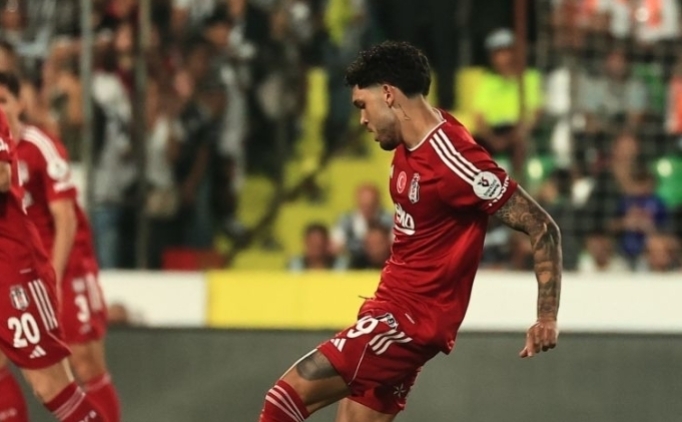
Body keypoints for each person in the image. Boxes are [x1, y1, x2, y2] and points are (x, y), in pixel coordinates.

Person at [256, 41, 562, 422]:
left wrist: (546, 317)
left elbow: (542, 226)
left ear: (388, 94)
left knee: (284, 398)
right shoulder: (410, 142)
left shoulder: (454, 159)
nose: (362, 120)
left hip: (407, 323)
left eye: (362, 105)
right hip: (392, 310)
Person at [0, 72, 120, 421]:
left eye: (4, 100)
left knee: (60, 378)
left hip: (27, 266)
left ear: (20, 103)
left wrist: (54, 274)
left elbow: (62, 214)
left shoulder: (40, 145)